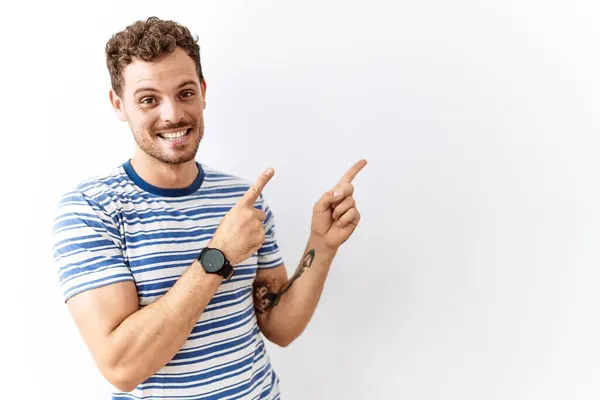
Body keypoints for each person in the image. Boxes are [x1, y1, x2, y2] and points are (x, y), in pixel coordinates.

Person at [52, 16, 367, 399]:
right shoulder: (90, 210)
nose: (172, 114)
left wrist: (322, 243)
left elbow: (280, 327)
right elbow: (122, 367)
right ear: (119, 105)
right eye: (149, 99)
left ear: (202, 91)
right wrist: (219, 254)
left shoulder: (242, 198)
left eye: (185, 92)